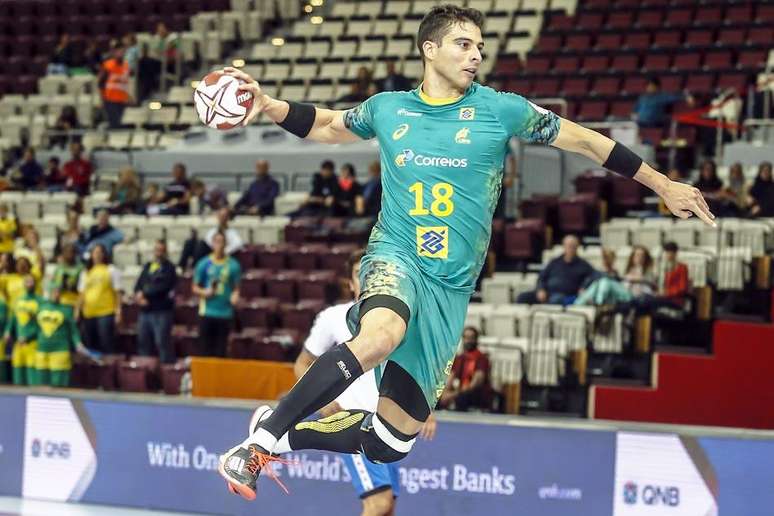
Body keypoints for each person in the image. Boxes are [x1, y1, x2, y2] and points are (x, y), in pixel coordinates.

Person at [218, 5, 715, 499]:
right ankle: (258, 445)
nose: (476, 54)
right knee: (381, 334)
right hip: (397, 256)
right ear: (429, 49)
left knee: (392, 441)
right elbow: (327, 124)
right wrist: (269, 105)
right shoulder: (389, 108)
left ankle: (282, 432)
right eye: (464, 44)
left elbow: (585, 142)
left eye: (480, 46)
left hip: (450, 288)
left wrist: (661, 182)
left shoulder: (502, 109)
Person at [246, 250, 436, 512]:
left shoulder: (397, 322)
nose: (366, 278)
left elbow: (415, 368)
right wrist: (326, 401)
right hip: (352, 424)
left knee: (388, 505)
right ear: (350, 283)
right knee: (378, 502)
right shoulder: (333, 318)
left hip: (388, 423)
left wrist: (426, 410)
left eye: (372, 272)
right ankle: (270, 433)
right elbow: (303, 363)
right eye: (360, 274)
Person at [192, 231, 241, 357]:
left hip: (225, 313)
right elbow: (195, 287)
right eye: (216, 242)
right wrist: (205, 292)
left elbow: (236, 288)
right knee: (205, 349)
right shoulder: (204, 263)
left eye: (222, 242)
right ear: (212, 244)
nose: (219, 245)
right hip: (207, 311)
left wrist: (235, 296)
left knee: (221, 351)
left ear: (226, 244)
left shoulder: (233, 265)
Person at [517, 235, 594, 305]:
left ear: (577, 247)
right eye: (568, 246)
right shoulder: (554, 262)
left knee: (556, 300)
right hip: (547, 293)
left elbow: (594, 276)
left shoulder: (583, 265)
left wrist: (584, 287)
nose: (570, 248)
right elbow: (542, 277)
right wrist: (541, 289)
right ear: (564, 246)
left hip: (566, 296)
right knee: (522, 297)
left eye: (573, 246)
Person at [135, 240, 177, 364]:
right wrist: (138, 295)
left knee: (162, 343)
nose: (158, 253)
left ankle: (167, 372)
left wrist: (145, 293)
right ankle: (146, 371)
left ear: (165, 252)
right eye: (157, 250)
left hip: (161, 312)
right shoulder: (148, 266)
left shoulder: (170, 268)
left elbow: (164, 287)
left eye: (161, 250)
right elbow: (138, 284)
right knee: (143, 342)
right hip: (145, 312)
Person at [77, 244, 122, 354]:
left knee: (106, 342)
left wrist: (118, 312)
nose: (97, 255)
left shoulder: (111, 270)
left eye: (100, 252)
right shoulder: (86, 272)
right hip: (89, 313)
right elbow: (81, 294)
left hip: (105, 312)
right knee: (90, 343)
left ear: (104, 254)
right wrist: (77, 310)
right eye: (95, 252)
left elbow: (118, 293)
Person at [35, 286, 84, 387]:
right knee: (41, 384)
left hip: (60, 350)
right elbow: (35, 327)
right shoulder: (41, 307)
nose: (55, 295)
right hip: (42, 350)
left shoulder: (67, 310)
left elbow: (73, 330)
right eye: (53, 292)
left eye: (58, 292)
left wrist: (78, 343)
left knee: (58, 385)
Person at [438, 326, 492, 411]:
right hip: (458, 391)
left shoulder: (481, 359)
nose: (468, 341)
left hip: (473, 394)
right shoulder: (459, 358)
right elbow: (450, 379)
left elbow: (475, 384)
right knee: (436, 397)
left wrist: (453, 395)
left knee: (462, 398)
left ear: (476, 339)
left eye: (471, 338)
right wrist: (444, 393)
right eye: (466, 338)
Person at [5, 274, 41, 385]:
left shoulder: (40, 301)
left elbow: (40, 325)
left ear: (35, 284)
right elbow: (13, 318)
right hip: (18, 343)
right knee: (17, 371)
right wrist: (8, 331)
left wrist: (28, 336)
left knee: (32, 375)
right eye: (27, 281)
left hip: (33, 343)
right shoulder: (18, 300)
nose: (29, 284)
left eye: (31, 281)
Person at [99, 45, 131, 129]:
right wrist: (103, 97)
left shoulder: (126, 66)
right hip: (110, 99)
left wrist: (128, 97)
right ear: (114, 53)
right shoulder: (108, 65)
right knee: (114, 124)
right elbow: (101, 82)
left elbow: (125, 84)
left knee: (122, 123)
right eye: (118, 52)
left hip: (122, 100)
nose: (120, 54)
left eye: (122, 52)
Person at [51, 243, 84, 309]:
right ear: (63, 253)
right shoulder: (59, 268)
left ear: (75, 253)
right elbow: (54, 285)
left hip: (75, 303)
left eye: (71, 251)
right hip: (60, 302)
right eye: (67, 252)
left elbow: (83, 287)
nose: (69, 254)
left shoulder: (80, 268)